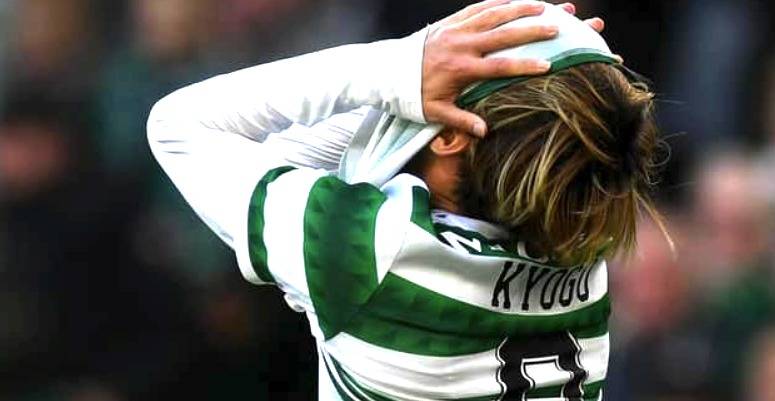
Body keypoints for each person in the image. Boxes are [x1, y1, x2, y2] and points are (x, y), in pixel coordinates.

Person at [148, 1, 665, 399]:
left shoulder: (368, 250)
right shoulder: (585, 248)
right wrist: (576, 73)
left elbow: (178, 126)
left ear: (449, 137)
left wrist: (405, 66)